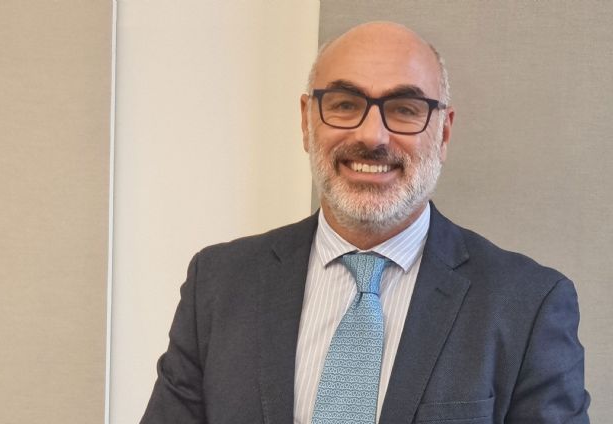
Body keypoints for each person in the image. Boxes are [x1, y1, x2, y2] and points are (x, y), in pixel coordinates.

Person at [141, 21, 590, 423]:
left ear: (444, 132)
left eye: (404, 109)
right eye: (344, 104)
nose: (372, 135)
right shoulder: (218, 285)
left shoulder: (527, 305)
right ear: (307, 122)